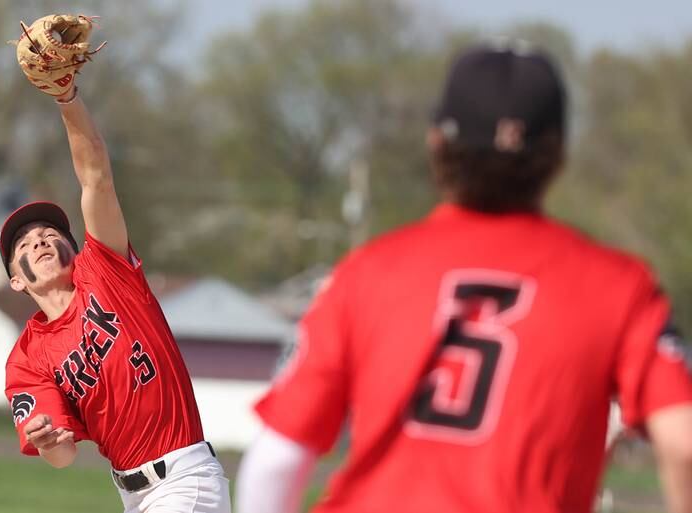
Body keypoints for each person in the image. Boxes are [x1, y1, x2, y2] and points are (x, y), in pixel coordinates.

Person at [236, 41, 692, 513]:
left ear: (438, 143)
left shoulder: (368, 271)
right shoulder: (618, 284)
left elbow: (275, 462)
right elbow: (684, 444)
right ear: (556, 155)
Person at [0, 78, 231, 512]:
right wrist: (49, 441)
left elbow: (96, 178)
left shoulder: (106, 270)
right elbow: (62, 455)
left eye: (50, 234)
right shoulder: (27, 360)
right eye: (25, 246)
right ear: (17, 280)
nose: (41, 242)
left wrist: (67, 98)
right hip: (133, 495)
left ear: (74, 246)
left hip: (185, 479)